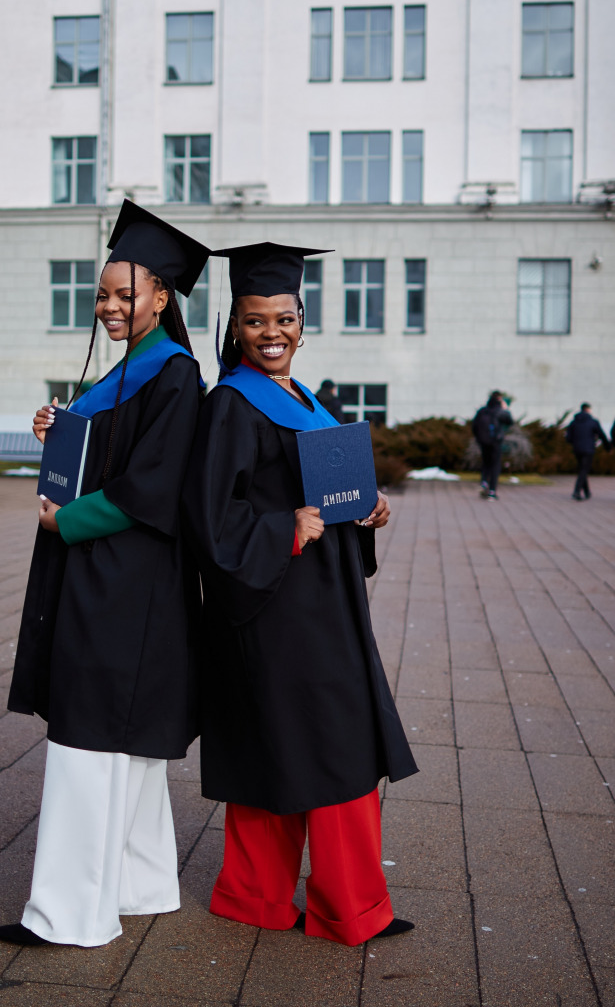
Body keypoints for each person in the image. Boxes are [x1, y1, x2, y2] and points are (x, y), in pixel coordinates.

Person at [182, 242, 418, 948]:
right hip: (273, 607)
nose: (271, 332)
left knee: (282, 741)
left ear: (302, 320)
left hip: (322, 601)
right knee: (327, 743)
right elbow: (206, 515)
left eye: (283, 318)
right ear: (234, 329)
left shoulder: (305, 398)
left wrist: (367, 509)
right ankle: (346, 908)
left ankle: (253, 896)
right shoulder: (229, 405)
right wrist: (282, 527)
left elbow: (328, 490)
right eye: (254, 322)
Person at [0, 201, 209, 948]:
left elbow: (153, 485)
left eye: (126, 294)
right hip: (122, 580)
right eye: (103, 295)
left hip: (123, 578)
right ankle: (140, 885)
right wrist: (63, 429)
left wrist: (67, 521)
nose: (111, 306)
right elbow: (110, 455)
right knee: (131, 744)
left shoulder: (172, 374)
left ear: (161, 296)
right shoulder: (135, 370)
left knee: (87, 741)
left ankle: (68, 915)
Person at [472, 391, 514, 500]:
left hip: (483, 442)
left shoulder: (482, 411)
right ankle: (492, 491)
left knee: (486, 463)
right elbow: (510, 421)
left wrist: (479, 439)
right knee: (495, 465)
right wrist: (506, 408)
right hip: (496, 442)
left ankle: (484, 482)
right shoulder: (500, 411)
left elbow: (474, 426)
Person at [566, 403, 611, 500]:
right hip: (588, 449)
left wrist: (575, 443)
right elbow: (601, 434)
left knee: (582, 469)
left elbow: (568, 437)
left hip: (577, 449)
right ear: (588, 410)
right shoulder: (593, 422)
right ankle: (577, 491)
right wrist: (608, 447)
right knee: (584, 470)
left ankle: (587, 492)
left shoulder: (574, 422)